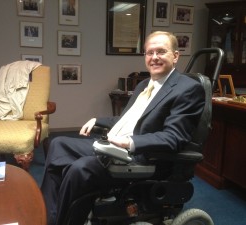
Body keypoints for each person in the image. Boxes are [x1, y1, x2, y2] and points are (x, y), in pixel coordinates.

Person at [41, 31, 205, 225]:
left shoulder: (187, 89)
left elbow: (173, 137)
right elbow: (128, 119)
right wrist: (97, 120)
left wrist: (130, 142)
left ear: (175, 56)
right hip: (116, 146)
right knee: (58, 144)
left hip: (144, 157)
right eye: (149, 52)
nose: (154, 58)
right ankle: (47, 217)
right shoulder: (144, 84)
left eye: (161, 52)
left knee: (80, 169)